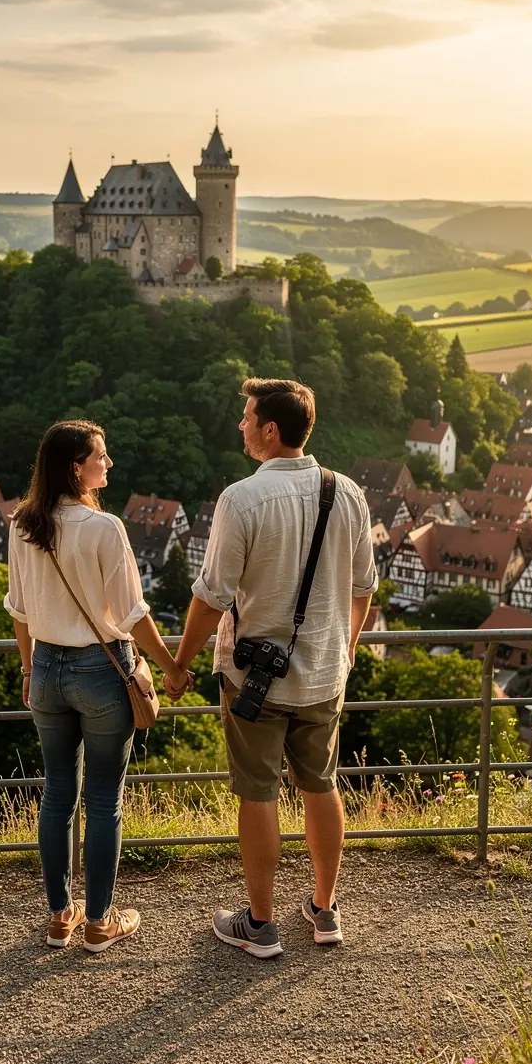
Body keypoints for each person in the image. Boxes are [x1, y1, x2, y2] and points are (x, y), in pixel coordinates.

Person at [167, 379, 377, 959]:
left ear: (270, 430)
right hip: (324, 673)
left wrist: (179, 664)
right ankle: (325, 910)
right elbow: (363, 587)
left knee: (258, 792)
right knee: (321, 784)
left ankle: (260, 925)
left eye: (246, 417)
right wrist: (348, 645)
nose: (240, 425)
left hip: (252, 678)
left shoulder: (242, 499)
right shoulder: (347, 492)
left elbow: (212, 596)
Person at [5, 420, 191, 953]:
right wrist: (173, 668)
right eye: (100, 456)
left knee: (58, 793)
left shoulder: (23, 523)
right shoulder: (104, 528)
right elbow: (133, 615)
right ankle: (99, 922)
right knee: (104, 798)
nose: (108, 463)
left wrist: (28, 669)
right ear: (75, 468)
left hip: (46, 668)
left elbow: (19, 610)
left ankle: (59, 916)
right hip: (102, 671)